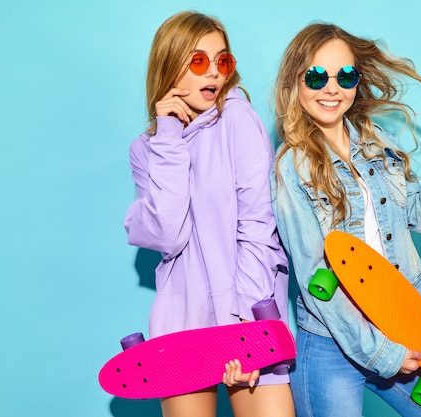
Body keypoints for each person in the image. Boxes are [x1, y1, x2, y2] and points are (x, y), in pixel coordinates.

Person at [270, 22, 421, 417]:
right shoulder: (293, 166)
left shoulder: (377, 147)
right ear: (294, 82)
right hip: (331, 345)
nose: (332, 88)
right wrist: (381, 353)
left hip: (401, 327)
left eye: (346, 76)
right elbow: (314, 279)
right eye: (317, 76)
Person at [123, 11, 295, 417]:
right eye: (199, 61)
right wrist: (168, 137)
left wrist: (248, 331)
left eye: (223, 61)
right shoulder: (146, 149)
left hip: (248, 311)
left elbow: (258, 227)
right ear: (170, 65)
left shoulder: (237, 118)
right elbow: (167, 235)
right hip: (184, 318)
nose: (214, 73)